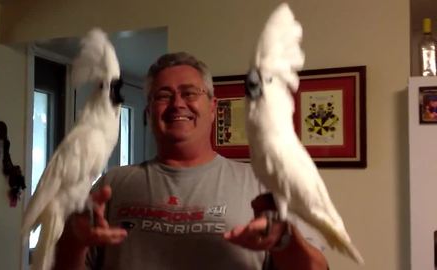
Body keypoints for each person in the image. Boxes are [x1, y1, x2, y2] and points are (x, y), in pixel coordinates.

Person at [53, 52, 329, 270]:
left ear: (213, 108)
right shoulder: (112, 185)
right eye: (163, 95)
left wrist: (285, 240)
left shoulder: (260, 185)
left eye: (189, 93)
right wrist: (74, 241)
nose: (177, 104)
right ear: (149, 112)